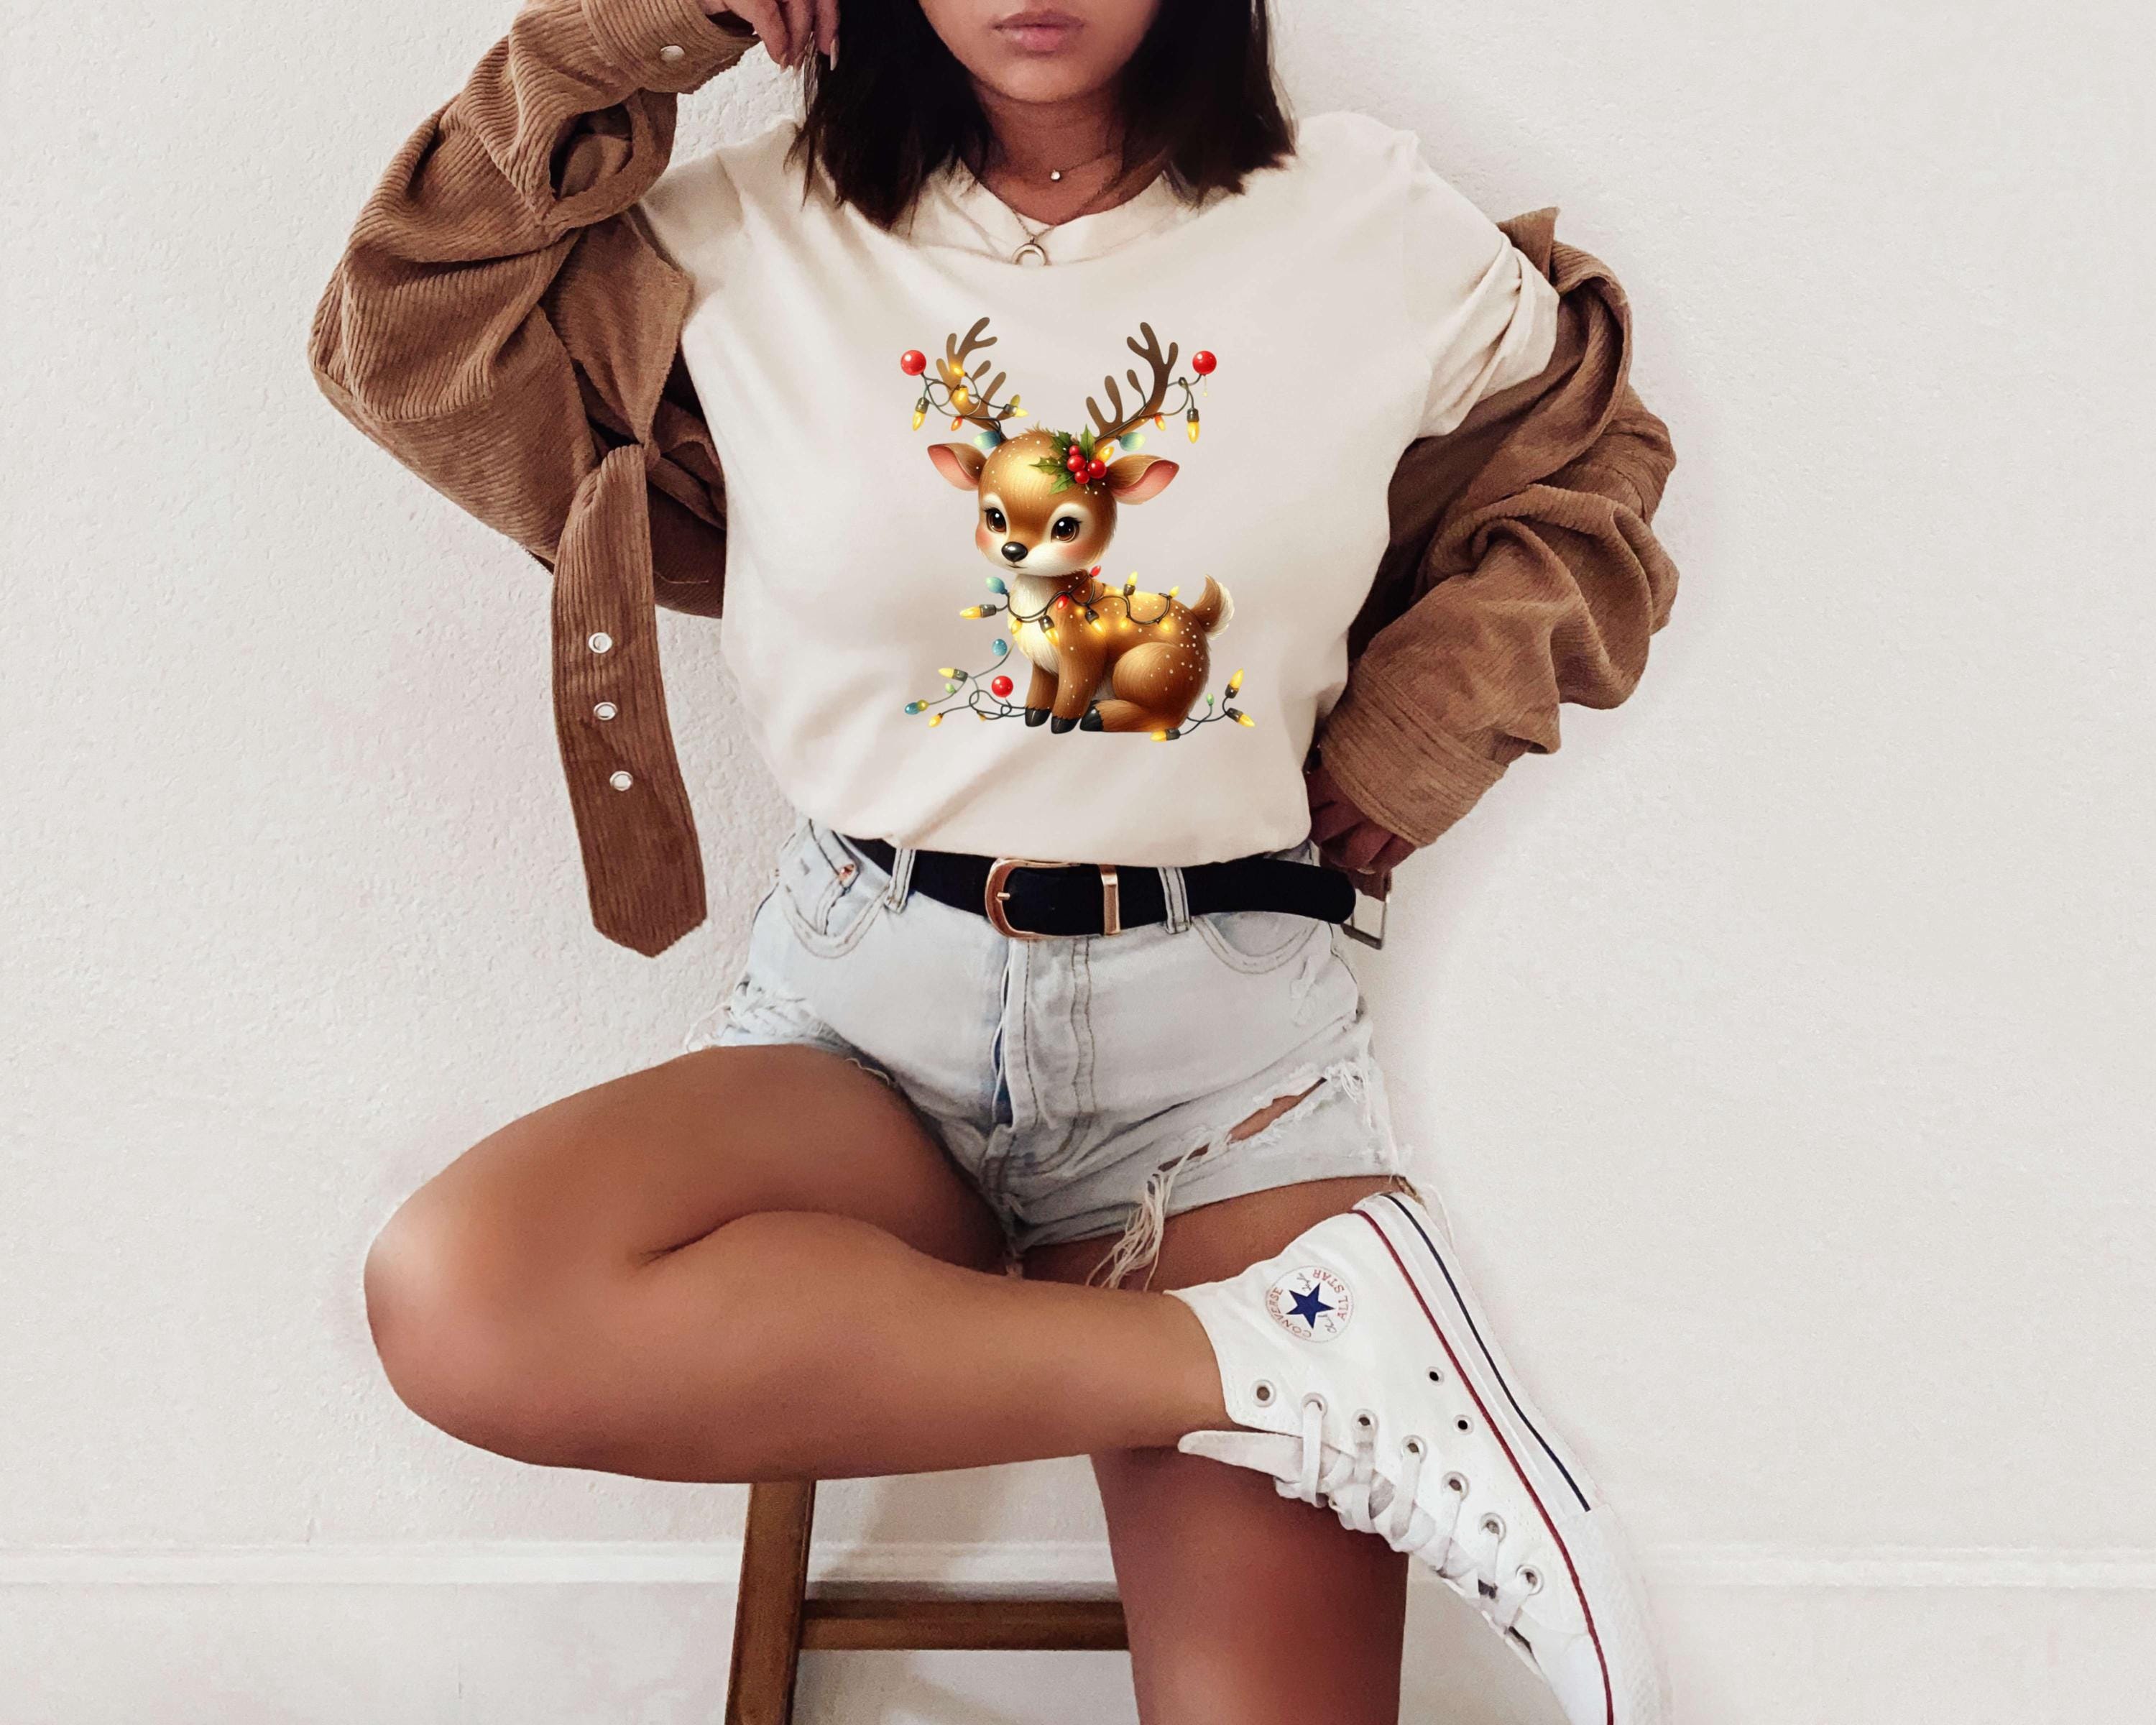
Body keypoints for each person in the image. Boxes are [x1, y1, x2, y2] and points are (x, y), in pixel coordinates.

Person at [307, 2, 1682, 1720]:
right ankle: (1301, 1355)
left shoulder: (1363, 223)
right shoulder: (737, 231)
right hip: (863, 1026)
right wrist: (661, 24)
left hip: (1225, 1062)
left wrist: (1428, 720)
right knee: (466, 1296)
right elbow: (400, 332)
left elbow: (1592, 458)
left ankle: (1312, 1352)